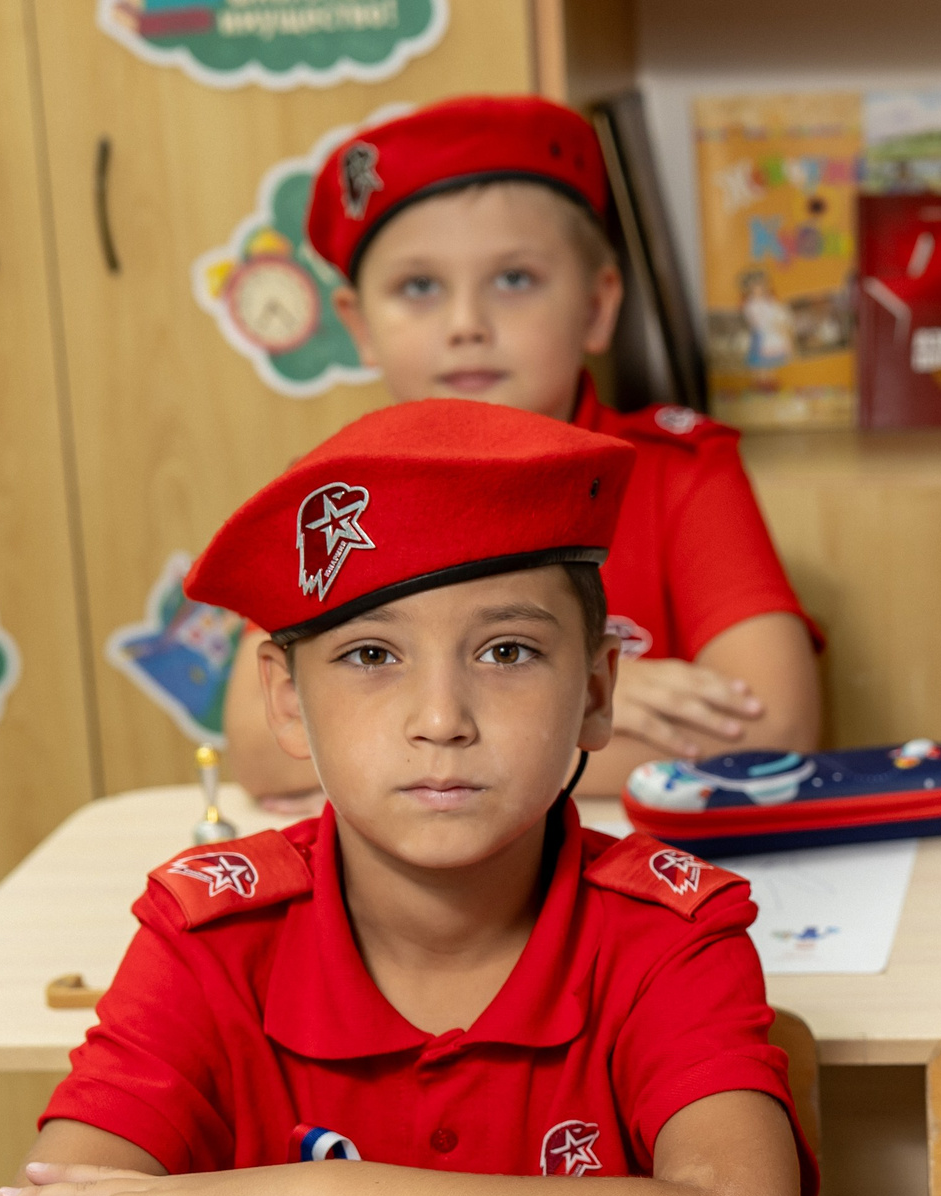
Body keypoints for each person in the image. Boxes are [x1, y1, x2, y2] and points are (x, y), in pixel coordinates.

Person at [0, 401, 813, 1196]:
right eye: (372, 656)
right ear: (286, 700)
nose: (439, 719)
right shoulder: (211, 935)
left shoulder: (668, 932)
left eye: (506, 651)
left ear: (596, 692)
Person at [221, 95, 821, 812]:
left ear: (599, 306)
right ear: (360, 324)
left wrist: (399, 762)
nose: (467, 324)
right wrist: (579, 712)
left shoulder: (682, 473)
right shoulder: (334, 498)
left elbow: (774, 730)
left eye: (514, 279)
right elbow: (260, 748)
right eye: (419, 287)